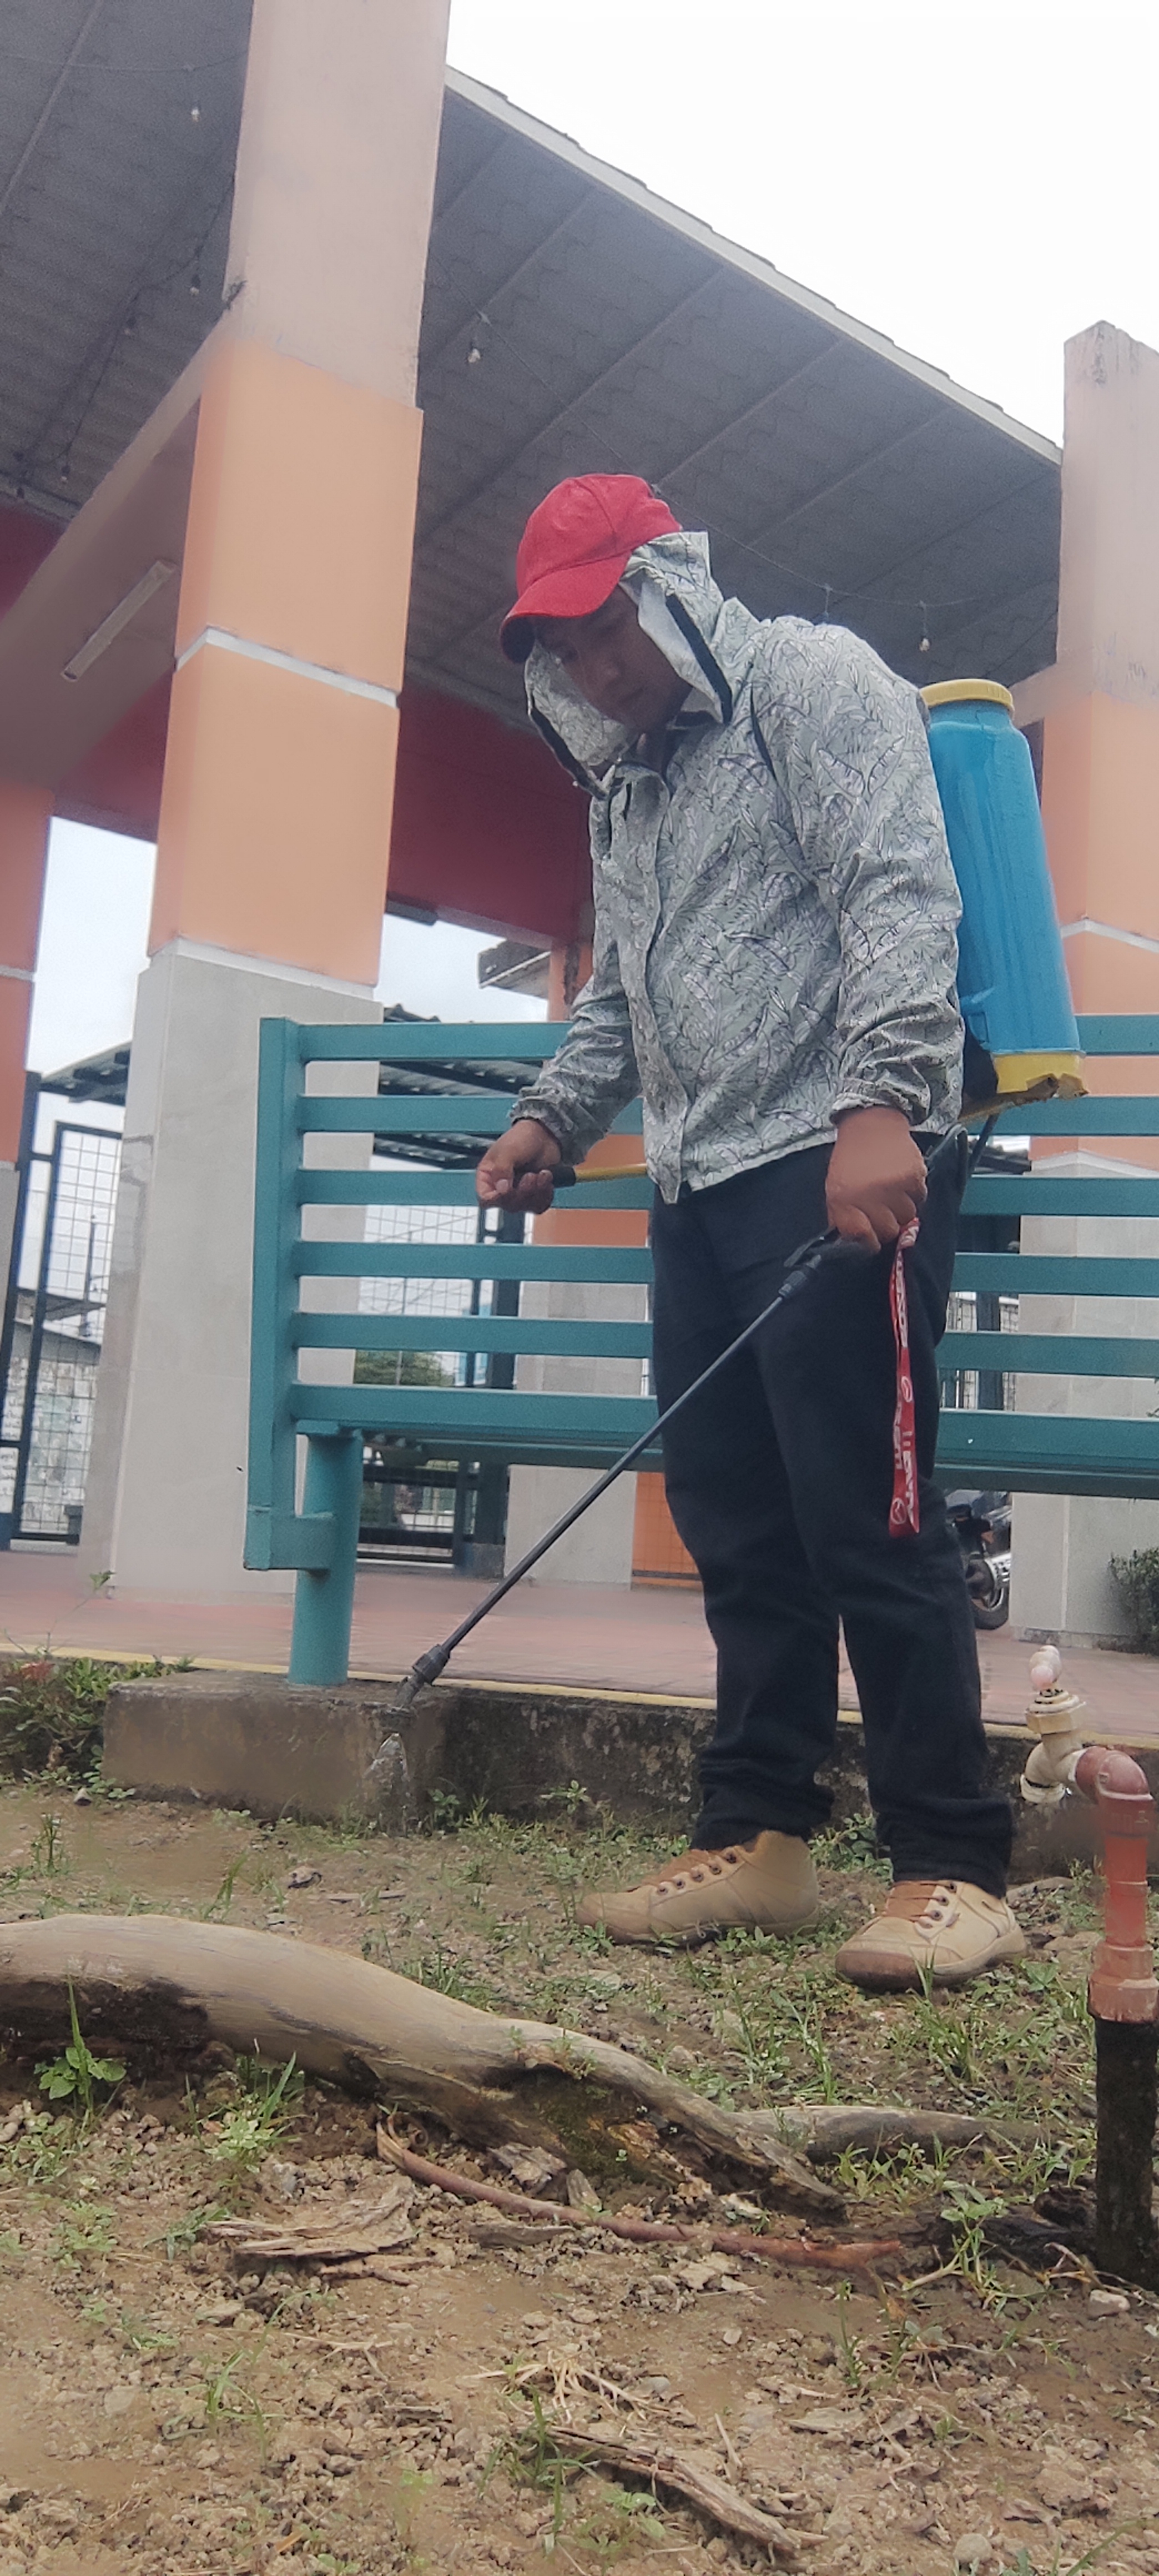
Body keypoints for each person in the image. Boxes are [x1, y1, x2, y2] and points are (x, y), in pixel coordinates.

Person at [476, 472, 1021, 1990]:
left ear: (669, 586)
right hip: (696, 1180)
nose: (596, 668)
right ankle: (762, 1836)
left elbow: (898, 891)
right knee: (736, 1522)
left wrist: (883, 1104)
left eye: (607, 628)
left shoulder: (811, 682)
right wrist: (553, 1117)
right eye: (566, 651)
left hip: (840, 1159)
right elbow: (622, 989)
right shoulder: (629, 785)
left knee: (872, 1516)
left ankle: (955, 1865)